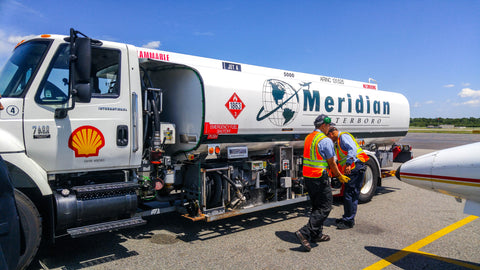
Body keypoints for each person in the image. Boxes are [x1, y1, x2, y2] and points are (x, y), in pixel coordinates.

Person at [295, 114, 350, 252]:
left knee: (316, 206)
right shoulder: (325, 140)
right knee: (325, 206)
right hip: (319, 177)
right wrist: (340, 176)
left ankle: (316, 234)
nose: (330, 128)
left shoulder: (309, 137)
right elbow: (332, 162)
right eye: (329, 126)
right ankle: (305, 232)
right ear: (323, 126)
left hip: (308, 177)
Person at [327, 126, 369, 229]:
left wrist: (349, 163)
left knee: (350, 194)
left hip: (355, 167)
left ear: (331, 133)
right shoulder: (339, 141)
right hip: (355, 168)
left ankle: (348, 221)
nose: (329, 139)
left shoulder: (343, 137)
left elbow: (352, 148)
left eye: (328, 136)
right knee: (351, 194)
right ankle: (347, 218)